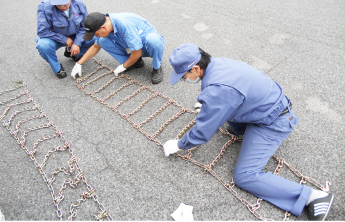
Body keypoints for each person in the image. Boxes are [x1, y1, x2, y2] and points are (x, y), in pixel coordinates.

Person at [163, 44, 334, 221]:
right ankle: (238, 127)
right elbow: (227, 93)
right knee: (225, 120)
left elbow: (202, 132)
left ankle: (312, 197)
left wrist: (178, 144)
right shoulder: (217, 64)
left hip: (274, 121)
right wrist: (210, 108)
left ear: (196, 68)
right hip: (268, 104)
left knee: (245, 176)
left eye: (184, 75)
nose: (184, 78)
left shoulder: (218, 91)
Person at [71, 12, 165, 84]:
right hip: (131, 45)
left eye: (96, 34)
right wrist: (79, 63)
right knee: (102, 41)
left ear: (104, 28)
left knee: (153, 40)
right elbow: (95, 47)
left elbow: (138, 52)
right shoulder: (104, 22)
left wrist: (123, 66)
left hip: (146, 46)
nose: (96, 35)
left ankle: (157, 67)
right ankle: (135, 62)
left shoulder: (124, 24)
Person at [36, 0, 95, 78]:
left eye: (64, 3)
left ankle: (73, 52)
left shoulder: (78, 4)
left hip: (74, 35)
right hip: (54, 37)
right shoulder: (44, 7)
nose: (62, 6)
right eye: (58, 4)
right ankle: (57, 67)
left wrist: (77, 43)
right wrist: (64, 39)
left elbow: (85, 26)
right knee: (43, 45)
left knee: (94, 37)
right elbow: (42, 31)